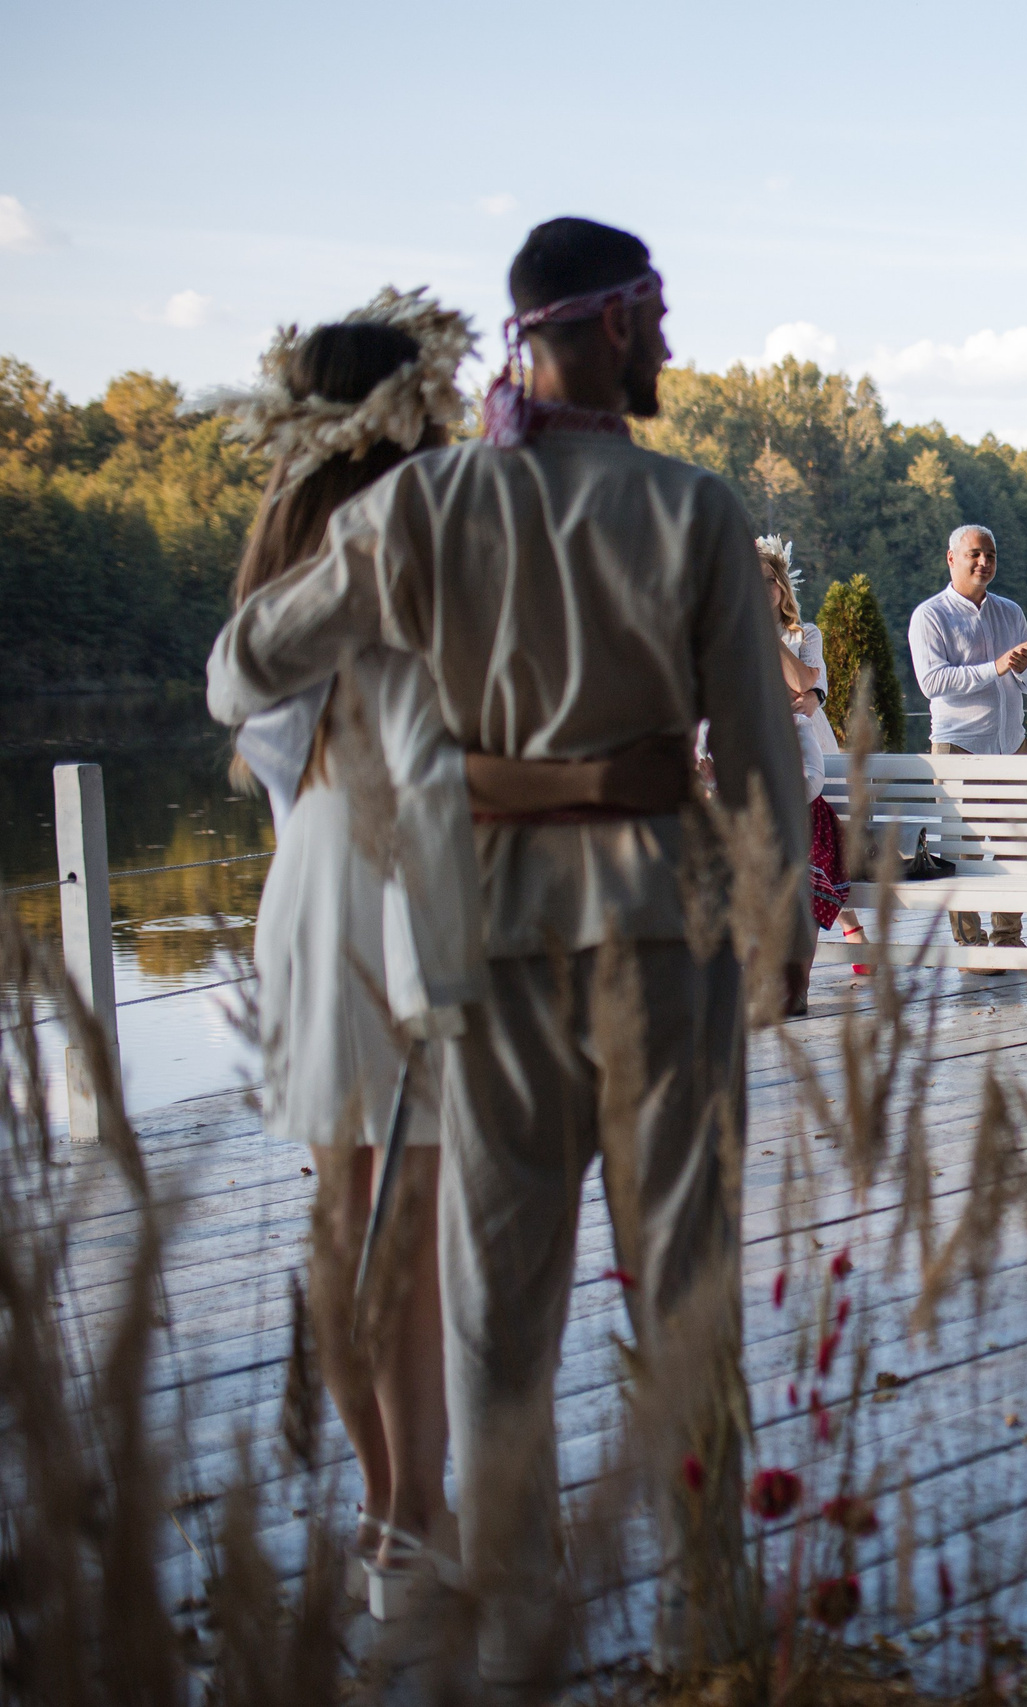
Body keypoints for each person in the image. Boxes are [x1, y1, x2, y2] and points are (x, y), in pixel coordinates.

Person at [208, 218, 810, 1680]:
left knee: (496, 1315)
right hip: (665, 943)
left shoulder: (421, 512)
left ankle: (511, 1643)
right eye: (654, 318)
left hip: (484, 956)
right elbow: (762, 748)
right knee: (685, 1294)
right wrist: (778, 919)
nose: (668, 345)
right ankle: (710, 1623)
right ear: (597, 326)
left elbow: (241, 667)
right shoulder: (692, 511)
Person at [214, 294, 475, 1616]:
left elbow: (257, 730)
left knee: (341, 1188)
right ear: (407, 403)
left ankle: (385, 1505)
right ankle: (421, 1513)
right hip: (411, 860)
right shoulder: (426, 528)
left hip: (312, 858)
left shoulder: (284, 549)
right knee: (413, 1206)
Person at [908, 523, 1027, 953]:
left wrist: (1022, 668)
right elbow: (932, 682)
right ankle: (970, 946)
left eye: (991, 554)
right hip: (960, 746)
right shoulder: (930, 615)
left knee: (1017, 846)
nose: (984, 562)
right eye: (975, 554)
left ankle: (1008, 940)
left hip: (1013, 744)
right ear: (952, 559)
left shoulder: (1011, 611)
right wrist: (995, 667)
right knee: (961, 850)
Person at [763, 537, 860, 963]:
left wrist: (770, 640)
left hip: (807, 739)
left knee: (822, 830)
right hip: (764, 739)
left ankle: (850, 926)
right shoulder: (729, 632)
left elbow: (804, 684)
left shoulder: (804, 634)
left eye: (769, 581)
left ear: (782, 587)